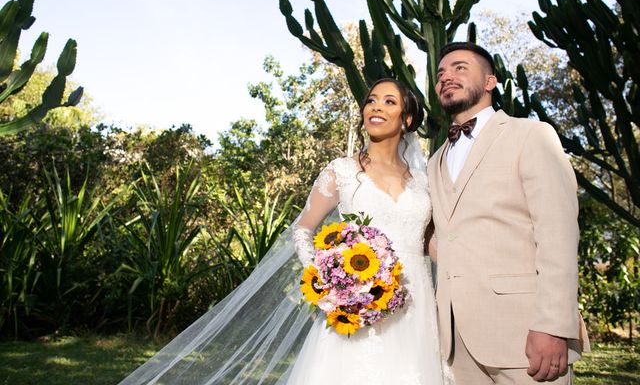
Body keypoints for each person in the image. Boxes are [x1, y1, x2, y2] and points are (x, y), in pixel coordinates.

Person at [120, 78, 447, 385]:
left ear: (406, 119)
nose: (376, 107)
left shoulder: (423, 182)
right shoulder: (342, 171)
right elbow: (303, 229)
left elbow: (427, 242)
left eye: (389, 101)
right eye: (371, 100)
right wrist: (330, 282)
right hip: (354, 301)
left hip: (413, 302)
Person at [426, 42, 589, 385]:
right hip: (455, 344)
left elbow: (557, 234)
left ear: (489, 82)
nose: (446, 77)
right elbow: (447, 239)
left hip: (525, 336)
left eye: (459, 68)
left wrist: (553, 325)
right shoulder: (434, 161)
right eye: (441, 73)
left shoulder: (530, 135)